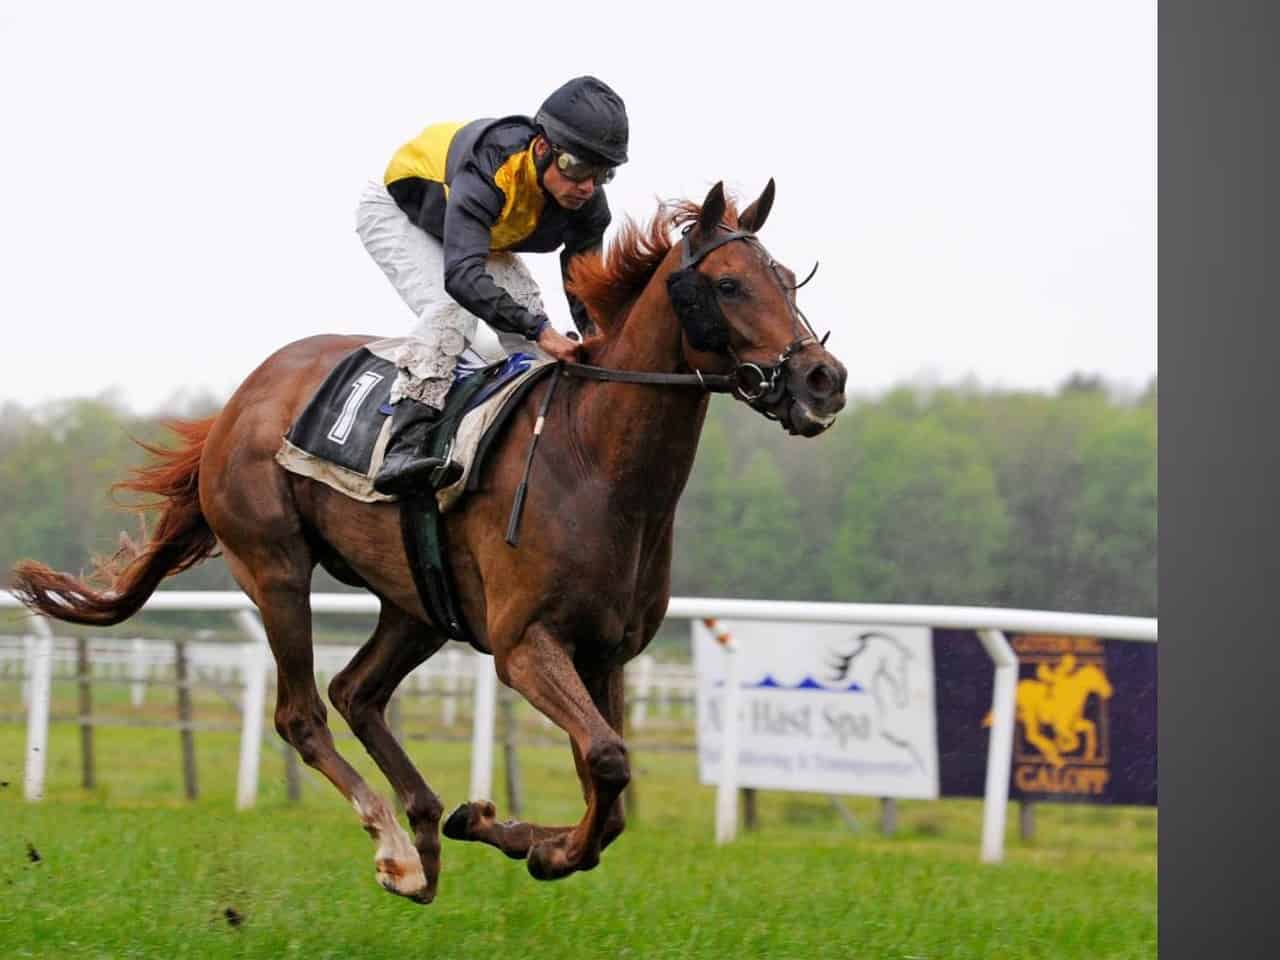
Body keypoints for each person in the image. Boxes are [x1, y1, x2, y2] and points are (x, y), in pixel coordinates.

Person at [355, 75, 629, 496]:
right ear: (542, 149)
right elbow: (462, 276)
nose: (587, 186)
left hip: (475, 231)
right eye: (576, 167)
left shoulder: (588, 206)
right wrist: (541, 329)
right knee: (449, 311)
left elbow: (584, 285)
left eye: (602, 173)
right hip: (399, 211)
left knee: (536, 339)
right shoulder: (491, 164)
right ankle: (402, 446)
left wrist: (599, 340)